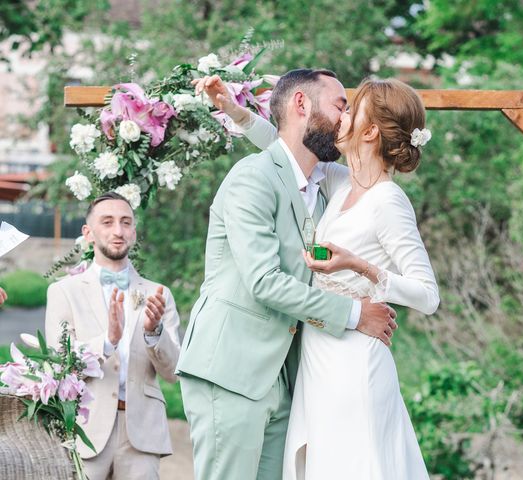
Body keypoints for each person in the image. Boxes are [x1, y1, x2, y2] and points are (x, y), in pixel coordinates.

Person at [200, 75, 440, 479]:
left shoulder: (388, 199)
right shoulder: (339, 180)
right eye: (341, 106)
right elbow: (286, 150)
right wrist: (238, 113)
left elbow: (428, 295)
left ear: (369, 131)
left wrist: (360, 267)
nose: (342, 116)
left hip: (353, 362)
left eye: (350, 109)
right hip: (315, 362)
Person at [45, 192, 181, 480]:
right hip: (84, 428)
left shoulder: (158, 294)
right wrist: (108, 341)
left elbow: (173, 372)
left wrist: (154, 332)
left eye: (125, 222)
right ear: (88, 233)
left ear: (133, 231)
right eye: (107, 222)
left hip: (142, 433)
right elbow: (59, 365)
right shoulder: (63, 292)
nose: (118, 231)